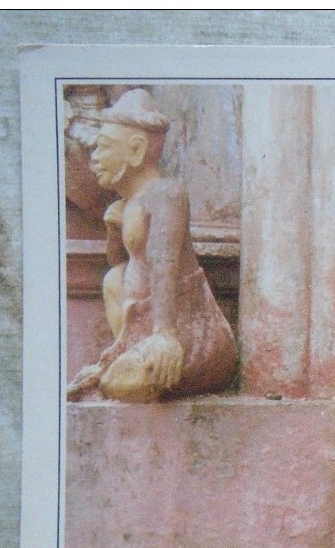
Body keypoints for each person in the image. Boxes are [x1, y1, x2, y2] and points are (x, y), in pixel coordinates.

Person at [66, 89, 237, 403]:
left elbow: (163, 263)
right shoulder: (126, 205)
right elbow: (129, 267)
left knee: (119, 383)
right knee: (113, 278)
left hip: (187, 329)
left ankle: (123, 368)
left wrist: (165, 335)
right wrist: (112, 229)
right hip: (146, 327)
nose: (95, 158)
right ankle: (122, 358)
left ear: (135, 150)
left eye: (103, 148)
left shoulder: (165, 194)